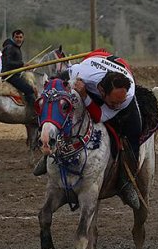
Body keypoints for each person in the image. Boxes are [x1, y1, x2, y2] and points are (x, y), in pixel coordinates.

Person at [34, 49, 142, 209]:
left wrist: (85, 96)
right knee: (59, 109)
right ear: (102, 92)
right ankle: (48, 152)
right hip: (95, 63)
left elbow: (100, 117)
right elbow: (56, 86)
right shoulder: (80, 73)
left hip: (120, 69)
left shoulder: (126, 96)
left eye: (119, 102)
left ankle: (126, 181)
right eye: (113, 102)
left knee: (135, 131)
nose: (117, 105)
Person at [1, 29, 36, 107]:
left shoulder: (16, 47)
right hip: (10, 76)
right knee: (29, 89)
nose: (19, 39)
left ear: (23, 38)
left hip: (15, 74)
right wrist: (22, 64)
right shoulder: (10, 47)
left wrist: (25, 67)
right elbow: (8, 63)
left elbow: (16, 64)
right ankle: (31, 111)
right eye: (17, 37)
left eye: (20, 37)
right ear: (13, 38)